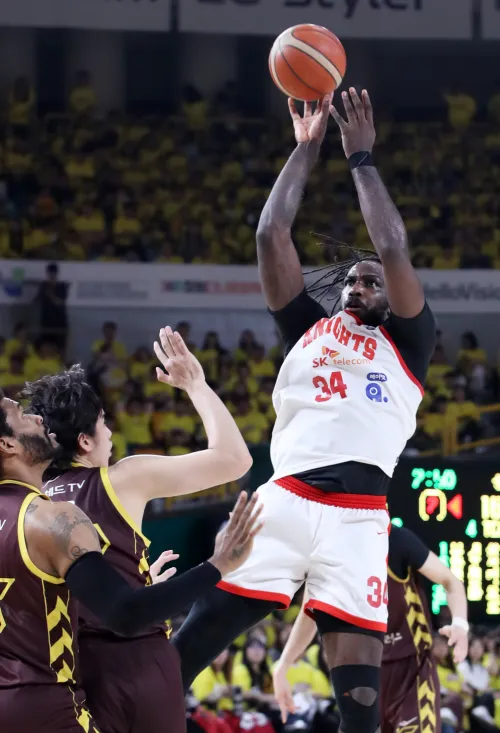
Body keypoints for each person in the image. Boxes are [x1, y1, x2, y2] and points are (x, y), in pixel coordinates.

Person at [173, 88, 437, 733]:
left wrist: (361, 158)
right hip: (285, 502)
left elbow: (393, 249)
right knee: (179, 658)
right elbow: (272, 233)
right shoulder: (307, 330)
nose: (357, 286)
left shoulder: (409, 341)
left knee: (361, 714)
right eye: (350, 281)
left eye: (369, 282)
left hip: (360, 523)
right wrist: (307, 148)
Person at [21, 326, 253, 733]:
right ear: (85, 442)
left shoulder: (31, 503)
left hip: (70, 673)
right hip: (137, 664)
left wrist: (135, 577)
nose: (111, 433)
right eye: (103, 423)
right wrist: (196, 385)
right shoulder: (123, 478)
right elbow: (235, 459)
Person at [272, 525, 468, 733]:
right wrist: (283, 665)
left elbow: (451, 581)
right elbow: (309, 613)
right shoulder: (328, 550)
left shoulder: (395, 539)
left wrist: (460, 625)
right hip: (363, 673)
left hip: (411, 669)